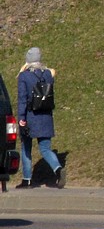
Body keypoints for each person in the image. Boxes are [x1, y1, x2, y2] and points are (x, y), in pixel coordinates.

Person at [16, 47, 64, 189]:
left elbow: (22, 98)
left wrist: (21, 117)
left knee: (26, 148)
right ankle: (58, 169)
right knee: (45, 148)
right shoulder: (48, 74)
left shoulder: (24, 76)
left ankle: (27, 179)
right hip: (46, 116)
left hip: (31, 116)